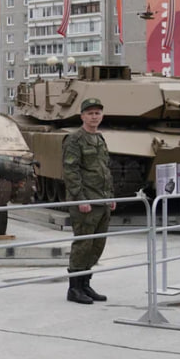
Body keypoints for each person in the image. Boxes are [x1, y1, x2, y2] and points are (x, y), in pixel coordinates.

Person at [61, 97, 116, 305]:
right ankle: (74, 288)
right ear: (82, 116)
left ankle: (85, 283)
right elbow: (71, 171)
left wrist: (110, 196)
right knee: (83, 243)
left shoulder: (100, 139)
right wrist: (80, 199)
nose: (94, 116)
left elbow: (105, 170)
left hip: (102, 200)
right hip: (86, 201)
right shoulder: (75, 139)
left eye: (98, 113)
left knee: (97, 245)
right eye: (90, 113)